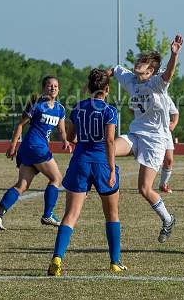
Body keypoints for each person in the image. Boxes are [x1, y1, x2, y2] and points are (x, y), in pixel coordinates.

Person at [47, 68, 127, 276]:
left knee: (70, 215)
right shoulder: (109, 111)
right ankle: (115, 261)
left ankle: (57, 257)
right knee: (112, 215)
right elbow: (110, 141)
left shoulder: (79, 108)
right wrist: (111, 170)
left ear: (89, 87)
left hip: (80, 161)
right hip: (101, 162)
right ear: (107, 89)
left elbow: (71, 137)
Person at [111, 34, 183, 243]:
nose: (137, 64)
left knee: (144, 189)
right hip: (135, 134)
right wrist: (99, 79)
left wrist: (174, 55)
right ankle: (92, 183)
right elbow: (115, 70)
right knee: (107, 148)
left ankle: (168, 220)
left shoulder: (156, 84)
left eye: (142, 63)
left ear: (150, 71)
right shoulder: (131, 80)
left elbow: (169, 73)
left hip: (155, 141)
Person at [0, 76, 71, 231]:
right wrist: (13, 145)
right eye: (49, 85)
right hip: (34, 147)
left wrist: (65, 140)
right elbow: (20, 125)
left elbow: (61, 130)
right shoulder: (36, 105)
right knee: (56, 178)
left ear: (59, 90)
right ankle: (48, 215)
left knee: (22, 185)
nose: (53, 88)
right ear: (44, 88)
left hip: (31, 149)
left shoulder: (60, 109)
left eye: (56, 86)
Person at [159, 96, 179, 193]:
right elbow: (132, 108)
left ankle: (163, 184)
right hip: (151, 132)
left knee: (169, 160)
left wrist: (174, 123)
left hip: (166, 133)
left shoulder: (166, 97)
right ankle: (145, 186)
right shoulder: (146, 94)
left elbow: (175, 112)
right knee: (153, 161)